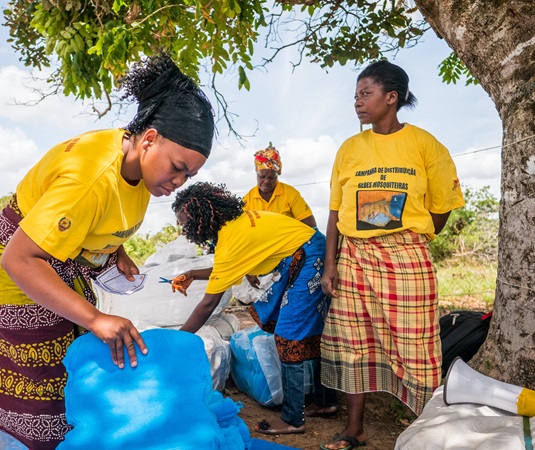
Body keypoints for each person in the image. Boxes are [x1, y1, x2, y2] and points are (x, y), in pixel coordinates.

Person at [0, 53, 215, 450]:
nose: (179, 181)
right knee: (44, 391)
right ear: (149, 138)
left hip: (56, 264)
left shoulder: (135, 163)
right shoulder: (92, 176)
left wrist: (114, 250)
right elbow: (18, 258)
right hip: (17, 269)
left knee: (74, 370)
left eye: (189, 174)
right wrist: (97, 317)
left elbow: (95, 221)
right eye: (177, 167)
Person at [319, 60, 465, 450]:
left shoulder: (425, 145)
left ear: (391, 97)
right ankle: (355, 429)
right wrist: (331, 264)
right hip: (354, 259)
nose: (357, 102)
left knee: (416, 345)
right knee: (354, 343)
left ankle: (427, 430)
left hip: (405, 259)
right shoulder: (350, 149)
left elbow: (443, 205)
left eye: (365, 94)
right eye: (355, 95)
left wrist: (408, 238)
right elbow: (336, 211)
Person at [171, 182, 337, 437]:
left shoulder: (230, 240)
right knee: (305, 330)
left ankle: (294, 419)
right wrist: (193, 272)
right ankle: (324, 402)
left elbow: (207, 304)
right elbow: (227, 269)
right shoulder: (235, 225)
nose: (184, 229)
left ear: (200, 219)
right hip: (305, 254)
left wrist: (179, 339)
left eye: (184, 223)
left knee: (289, 335)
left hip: (309, 257)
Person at [242, 142, 317, 228]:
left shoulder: (290, 194)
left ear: (277, 175)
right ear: (256, 173)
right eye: (262, 176)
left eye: (271, 177)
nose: (266, 181)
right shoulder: (248, 199)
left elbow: (311, 226)